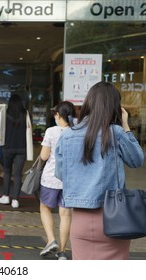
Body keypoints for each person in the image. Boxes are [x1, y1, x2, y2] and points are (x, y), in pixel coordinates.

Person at [55, 81, 144, 260]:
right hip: (114, 218)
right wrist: (126, 126)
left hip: (80, 221)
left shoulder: (67, 135)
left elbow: (60, 173)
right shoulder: (115, 132)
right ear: (114, 107)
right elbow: (136, 160)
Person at [39, 101, 75, 260]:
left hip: (51, 179)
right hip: (70, 180)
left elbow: (44, 156)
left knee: (45, 208)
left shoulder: (51, 132)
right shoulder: (77, 132)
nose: (54, 116)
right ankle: (62, 252)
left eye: (55, 114)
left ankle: (51, 240)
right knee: (65, 215)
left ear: (59, 116)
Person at [0, 94, 28, 208]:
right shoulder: (25, 114)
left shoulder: (5, 115)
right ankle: (15, 200)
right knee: (17, 175)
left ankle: (5, 196)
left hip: (8, 147)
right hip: (22, 148)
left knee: (7, 172)